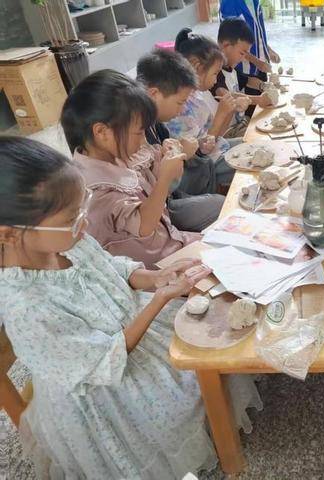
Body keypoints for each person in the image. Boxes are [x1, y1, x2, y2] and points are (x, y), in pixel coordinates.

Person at [0, 136, 216, 479]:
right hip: (104, 382)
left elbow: (114, 269)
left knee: (208, 354)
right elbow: (101, 361)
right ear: (10, 234)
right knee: (184, 399)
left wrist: (155, 277)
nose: (84, 223)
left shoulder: (65, 239)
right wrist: (159, 299)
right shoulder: (25, 306)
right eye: (72, 218)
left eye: (82, 209)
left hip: (129, 325)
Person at [60, 69, 201, 268]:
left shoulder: (116, 155)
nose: (143, 141)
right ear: (102, 132)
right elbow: (144, 226)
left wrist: (166, 155)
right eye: (139, 133)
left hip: (171, 241)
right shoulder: (94, 189)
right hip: (155, 267)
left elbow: (150, 183)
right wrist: (164, 179)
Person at [136, 49, 225, 232]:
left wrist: (197, 149)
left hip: (170, 194)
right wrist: (181, 154)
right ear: (154, 94)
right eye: (180, 102)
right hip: (158, 209)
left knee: (207, 169)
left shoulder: (156, 124)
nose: (182, 109)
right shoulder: (135, 133)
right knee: (222, 206)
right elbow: (154, 188)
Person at [167, 28, 241, 191]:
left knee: (253, 145)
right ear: (196, 67)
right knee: (250, 163)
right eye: (215, 73)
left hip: (217, 149)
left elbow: (217, 136)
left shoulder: (197, 94)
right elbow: (201, 153)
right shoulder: (181, 106)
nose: (216, 80)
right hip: (204, 167)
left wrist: (229, 110)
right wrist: (222, 113)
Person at [212, 17, 274, 137]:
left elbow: (248, 80)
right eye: (241, 53)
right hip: (225, 133)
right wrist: (259, 100)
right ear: (226, 46)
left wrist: (264, 86)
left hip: (238, 123)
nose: (243, 58)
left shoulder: (231, 68)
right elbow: (227, 96)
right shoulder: (215, 72)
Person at [220, 0, 280, 82]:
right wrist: (257, 62)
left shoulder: (255, 2)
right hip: (244, 71)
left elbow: (257, 33)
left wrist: (268, 50)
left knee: (265, 88)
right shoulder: (229, 3)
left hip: (261, 67)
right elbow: (233, 43)